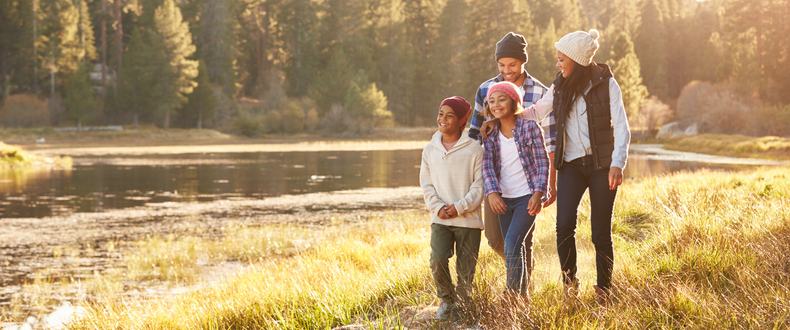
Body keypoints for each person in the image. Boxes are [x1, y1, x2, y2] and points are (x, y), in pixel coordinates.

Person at [483, 29, 630, 306]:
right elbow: (537, 110)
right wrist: (501, 117)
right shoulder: (560, 85)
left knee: (600, 232)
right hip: (571, 165)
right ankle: (570, 282)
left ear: (576, 59)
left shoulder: (607, 84)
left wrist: (617, 163)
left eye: (562, 59)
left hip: (602, 166)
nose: (558, 64)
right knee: (563, 227)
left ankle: (604, 289)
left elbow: (622, 127)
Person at [469, 32, 557, 278]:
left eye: (513, 64)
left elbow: (550, 140)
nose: (507, 70)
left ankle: (518, 294)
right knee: (496, 239)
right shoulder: (486, 89)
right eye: (501, 65)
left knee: (519, 240)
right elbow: (475, 134)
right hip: (496, 181)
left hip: (528, 182)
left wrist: (549, 185)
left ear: (523, 62)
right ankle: (522, 273)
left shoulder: (540, 92)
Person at [481, 82, 549, 300]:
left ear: (514, 101)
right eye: (492, 101)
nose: (496, 105)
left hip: (526, 198)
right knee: (514, 245)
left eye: (502, 99)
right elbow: (487, 166)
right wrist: (492, 193)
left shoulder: (530, 128)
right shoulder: (490, 134)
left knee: (512, 242)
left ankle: (510, 294)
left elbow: (542, 163)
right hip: (503, 200)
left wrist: (538, 194)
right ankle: (522, 296)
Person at [419, 96, 485, 320]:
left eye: (450, 115)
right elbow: (426, 184)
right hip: (441, 219)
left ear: (461, 121)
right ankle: (447, 300)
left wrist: (459, 207)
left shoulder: (475, 149)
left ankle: (463, 308)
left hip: (468, 220)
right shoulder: (430, 149)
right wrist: (438, 208)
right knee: (437, 259)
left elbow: (479, 186)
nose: (443, 119)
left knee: (466, 270)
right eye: (440, 114)